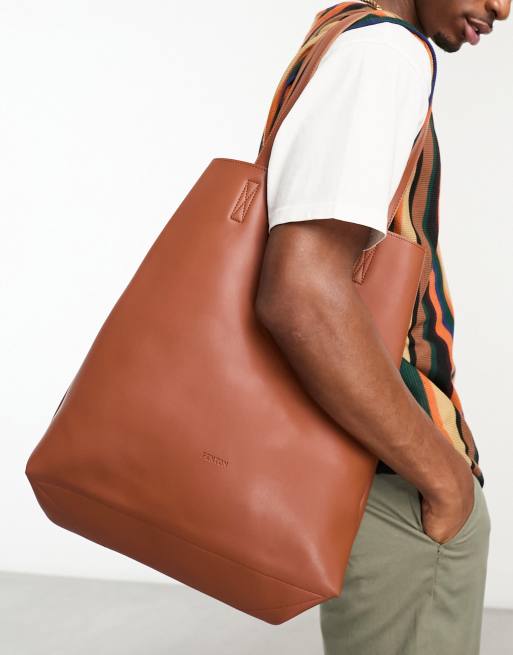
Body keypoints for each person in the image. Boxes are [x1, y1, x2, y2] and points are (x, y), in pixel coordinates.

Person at [254, 1, 510, 653]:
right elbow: (302, 295)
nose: (503, 8)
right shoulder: (385, 52)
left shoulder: (344, 30)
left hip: (370, 466)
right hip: (396, 484)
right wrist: (443, 478)